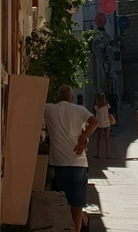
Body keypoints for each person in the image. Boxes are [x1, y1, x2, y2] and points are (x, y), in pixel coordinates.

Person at [44, 85, 98, 232]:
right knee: (77, 203)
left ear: (57, 97)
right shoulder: (79, 110)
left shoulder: (49, 109)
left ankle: (80, 224)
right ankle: (81, 223)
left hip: (58, 164)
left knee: (62, 202)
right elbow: (94, 122)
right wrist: (83, 138)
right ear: (71, 98)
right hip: (78, 162)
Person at [93, 93, 111, 159]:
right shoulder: (107, 105)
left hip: (100, 124)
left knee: (98, 139)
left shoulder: (97, 107)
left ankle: (98, 153)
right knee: (107, 140)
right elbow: (109, 107)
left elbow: (94, 110)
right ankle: (107, 154)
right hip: (107, 124)